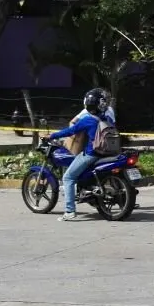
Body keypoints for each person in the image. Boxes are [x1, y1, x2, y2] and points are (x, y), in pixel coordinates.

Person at [47, 88, 114, 221]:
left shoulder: (88, 120)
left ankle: (69, 211)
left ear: (88, 104)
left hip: (92, 154)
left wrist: (53, 135)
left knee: (68, 178)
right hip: (106, 153)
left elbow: (71, 131)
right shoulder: (106, 118)